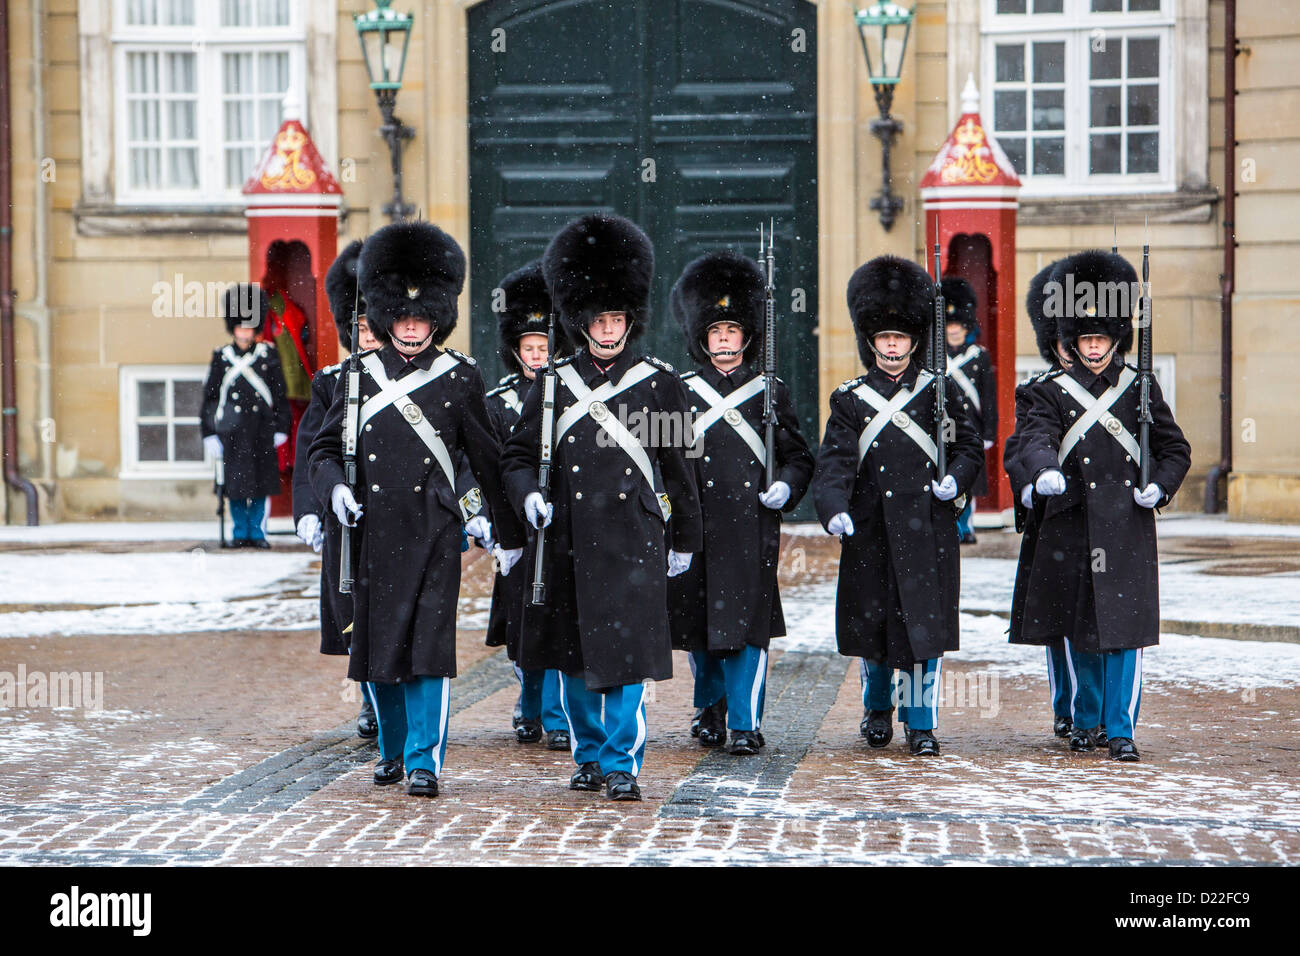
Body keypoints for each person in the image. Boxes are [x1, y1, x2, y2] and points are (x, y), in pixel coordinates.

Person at [309, 220, 526, 797]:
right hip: (371, 531)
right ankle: (393, 747)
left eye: (421, 319)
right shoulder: (356, 378)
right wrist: (333, 490)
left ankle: (424, 758)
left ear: (437, 319)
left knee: (429, 650)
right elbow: (324, 449)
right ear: (384, 319)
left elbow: (484, 458)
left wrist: (502, 530)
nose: (410, 328)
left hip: (434, 532)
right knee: (378, 648)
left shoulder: (461, 377)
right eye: (401, 319)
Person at [501, 213, 702, 801]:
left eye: (617, 317)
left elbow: (676, 466)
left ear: (629, 319)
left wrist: (684, 538)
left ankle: (621, 762)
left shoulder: (658, 383)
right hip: (567, 537)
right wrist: (528, 495)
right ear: (581, 321)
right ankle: (587, 755)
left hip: (634, 538)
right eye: (599, 318)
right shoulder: (555, 383)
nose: (609, 328)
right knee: (574, 660)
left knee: (628, 659)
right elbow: (515, 458)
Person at [1016, 249, 1190, 762]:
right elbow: (1034, 437)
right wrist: (1044, 469)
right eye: (1086, 339)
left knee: (1124, 632)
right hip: (1071, 523)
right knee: (1081, 630)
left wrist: (1160, 486)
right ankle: (1087, 721)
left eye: (1102, 339)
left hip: (1125, 524)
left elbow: (1173, 448)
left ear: (1116, 339)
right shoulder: (1048, 391)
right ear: (1072, 341)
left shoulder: (1140, 387)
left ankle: (1121, 729)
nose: (1094, 348)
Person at [811, 256, 983, 756]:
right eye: (883, 337)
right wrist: (834, 507)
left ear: (913, 340)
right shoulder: (849, 399)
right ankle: (878, 709)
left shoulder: (941, 392)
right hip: (870, 529)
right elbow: (836, 461)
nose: (891, 345)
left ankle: (921, 720)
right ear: (871, 341)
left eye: (900, 337)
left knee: (922, 632)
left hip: (926, 526)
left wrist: (956, 479)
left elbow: (969, 447)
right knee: (876, 630)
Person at [667, 250, 814, 754]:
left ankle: (745, 722)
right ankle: (710, 707)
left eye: (732, 331)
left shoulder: (770, 391)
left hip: (751, 525)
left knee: (747, 628)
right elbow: (662, 459)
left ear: (747, 337)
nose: (724, 339)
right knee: (700, 625)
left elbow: (798, 457)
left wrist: (787, 487)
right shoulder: (679, 393)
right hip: (698, 523)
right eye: (716, 332)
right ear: (702, 339)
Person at [292, 239, 388, 741]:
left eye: (375, 329)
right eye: (362, 329)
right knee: (354, 617)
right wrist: (310, 509)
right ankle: (370, 702)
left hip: (394, 515)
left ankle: (392, 702)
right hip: (345, 518)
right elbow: (313, 448)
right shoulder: (332, 382)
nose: (368, 338)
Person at [484, 259, 571, 750]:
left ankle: (557, 718)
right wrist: (495, 527)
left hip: (558, 523)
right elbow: (488, 467)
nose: (537, 356)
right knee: (523, 625)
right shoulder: (498, 402)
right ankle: (528, 704)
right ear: (516, 352)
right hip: (517, 526)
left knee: (555, 621)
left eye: (544, 348)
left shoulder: (569, 394)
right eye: (529, 348)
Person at [1003, 258, 1082, 740]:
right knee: (1059, 622)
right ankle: (1066, 706)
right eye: (1062, 343)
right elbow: (1020, 448)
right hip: (1057, 520)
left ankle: (1091, 710)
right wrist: (1031, 483)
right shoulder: (1038, 391)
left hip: (1103, 516)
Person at [201, 283, 290, 549]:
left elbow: (280, 395)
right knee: (236, 488)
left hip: (261, 430)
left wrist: (280, 428)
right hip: (233, 432)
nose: (244, 332)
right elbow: (210, 398)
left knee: (260, 485)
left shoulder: (268, 355)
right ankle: (240, 531)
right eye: (240, 327)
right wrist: (209, 433)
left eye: (249, 327)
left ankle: (257, 532)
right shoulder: (221, 357)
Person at [940, 276, 998, 544]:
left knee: (970, 480)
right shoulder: (937, 357)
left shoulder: (979, 355)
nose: (954, 331)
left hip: (970, 426)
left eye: (958, 326)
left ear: (967, 327)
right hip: (943, 425)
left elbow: (988, 397)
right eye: (949, 325)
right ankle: (950, 523)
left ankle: (966, 525)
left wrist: (989, 431)